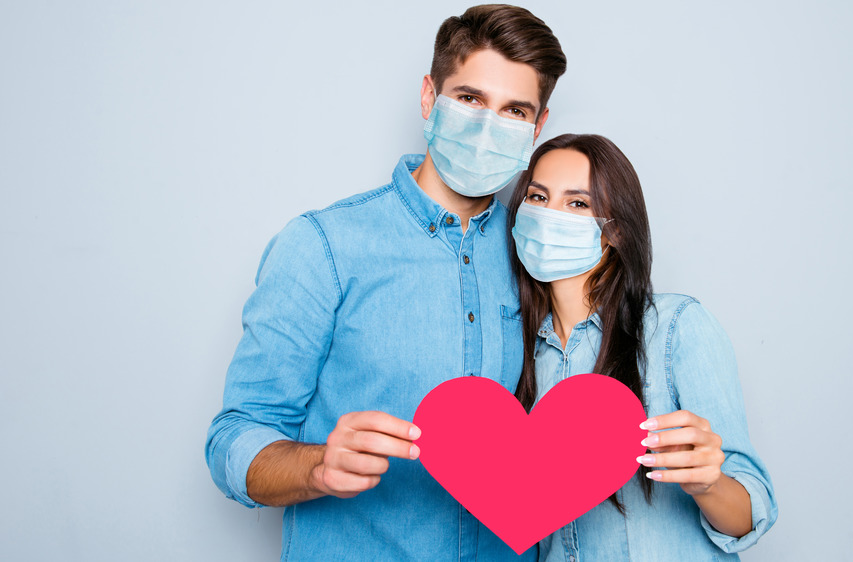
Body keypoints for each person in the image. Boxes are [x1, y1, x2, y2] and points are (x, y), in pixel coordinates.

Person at [205, 5, 566, 560]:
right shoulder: (323, 246)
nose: (489, 125)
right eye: (469, 99)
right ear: (428, 98)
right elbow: (234, 436)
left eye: (514, 110)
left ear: (537, 128)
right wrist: (317, 465)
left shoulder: (539, 256)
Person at [507, 134, 778, 560]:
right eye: (537, 197)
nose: (548, 215)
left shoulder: (675, 328)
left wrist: (708, 483)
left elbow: (749, 515)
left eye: (577, 204)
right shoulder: (518, 354)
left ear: (613, 231)